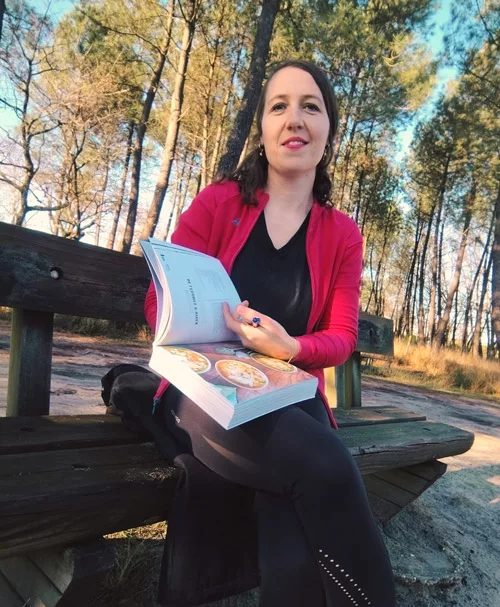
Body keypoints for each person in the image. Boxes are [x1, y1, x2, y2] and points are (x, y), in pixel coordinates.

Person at [144, 60, 397, 607]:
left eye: (311, 106)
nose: (294, 118)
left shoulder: (343, 233)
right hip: (204, 391)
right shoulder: (219, 203)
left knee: (297, 492)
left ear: (329, 130)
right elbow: (157, 299)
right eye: (279, 105)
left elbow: (342, 336)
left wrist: (290, 348)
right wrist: (224, 329)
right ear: (262, 127)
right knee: (326, 465)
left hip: (289, 392)